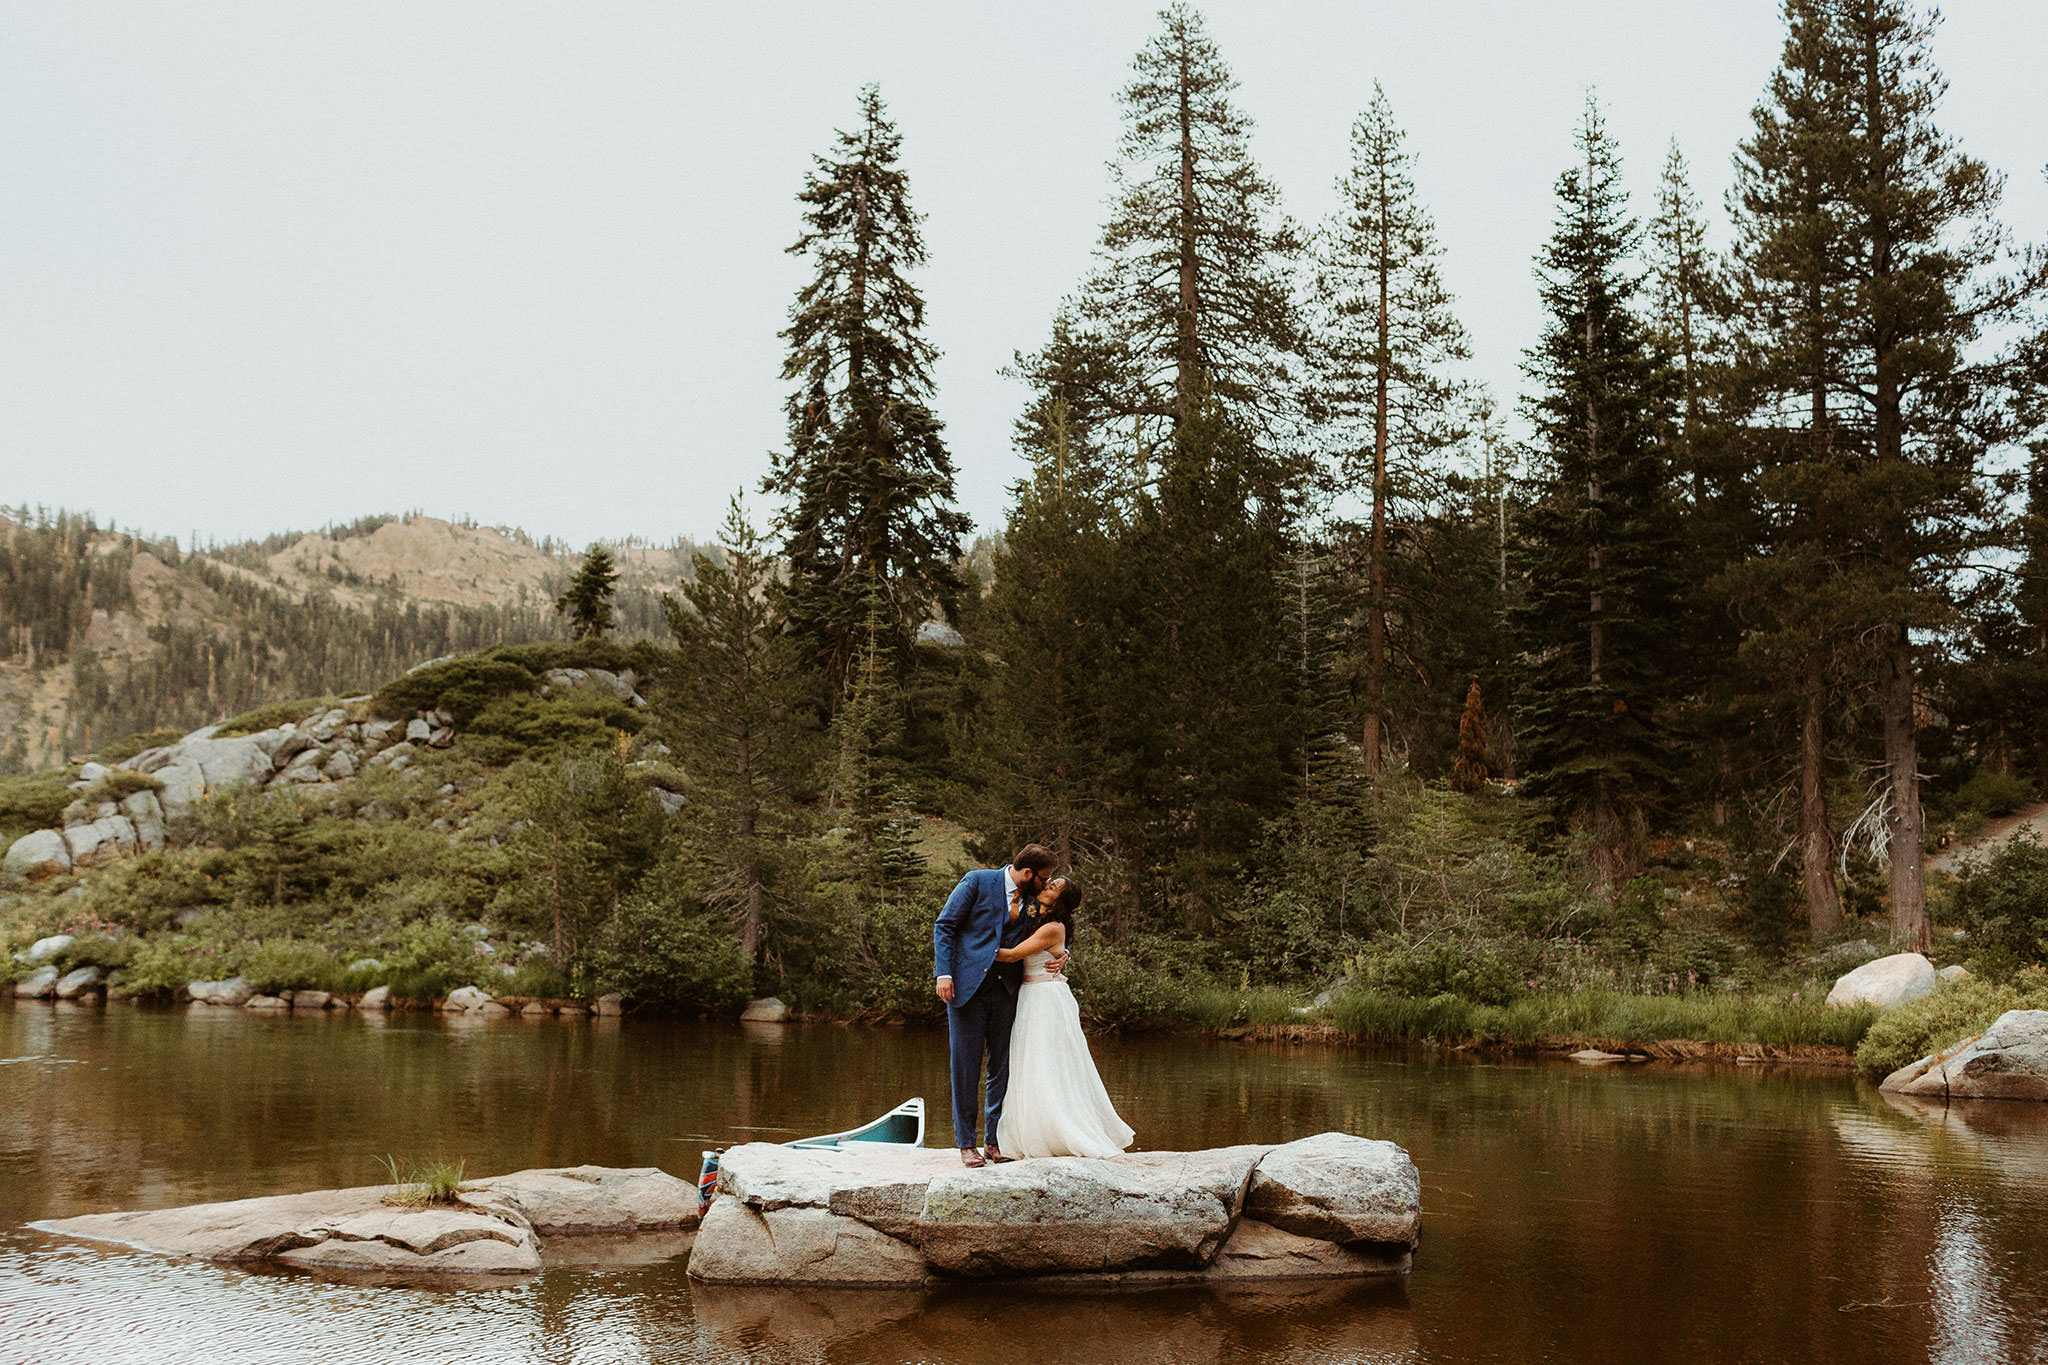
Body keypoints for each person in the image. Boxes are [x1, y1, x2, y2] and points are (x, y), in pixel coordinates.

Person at [933, 844, 1059, 1166]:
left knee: (1002, 1067)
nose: (1046, 884)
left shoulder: (1033, 899)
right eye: (1043, 878)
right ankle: (966, 1144)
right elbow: (945, 926)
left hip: (1008, 991)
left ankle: (994, 1141)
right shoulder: (977, 881)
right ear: (1027, 873)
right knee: (966, 1066)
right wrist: (943, 973)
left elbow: (1055, 927)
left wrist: (1064, 953)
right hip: (967, 989)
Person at [992, 878, 1134, 1160]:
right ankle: (1033, 1130)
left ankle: (1058, 1131)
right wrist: (1065, 953)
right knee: (1030, 1063)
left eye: (1053, 887)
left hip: (1045, 999)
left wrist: (968, 951)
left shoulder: (1053, 927)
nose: (1046, 885)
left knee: (1047, 1063)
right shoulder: (1037, 915)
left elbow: (1013, 955)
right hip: (1032, 995)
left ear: (1060, 901)